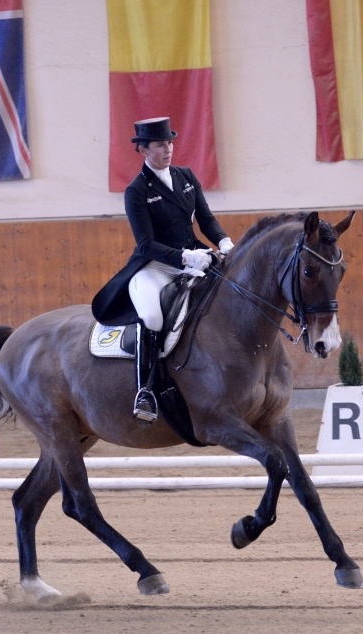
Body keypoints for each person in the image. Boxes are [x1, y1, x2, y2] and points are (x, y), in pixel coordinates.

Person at [91, 117, 234, 424]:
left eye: (169, 142)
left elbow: (205, 219)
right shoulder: (137, 190)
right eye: (160, 145)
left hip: (195, 260)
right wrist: (186, 257)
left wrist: (224, 242)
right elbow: (145, 244)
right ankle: (145, 390)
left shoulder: (186, 176)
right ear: (143, 150)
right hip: (154, 268)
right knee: (153, 317)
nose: (168, 149)